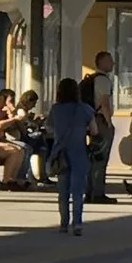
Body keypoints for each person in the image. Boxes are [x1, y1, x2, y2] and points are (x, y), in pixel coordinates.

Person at [44, 76, 96, 235]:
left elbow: (49, 129)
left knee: (63, 191)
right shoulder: (86, 109)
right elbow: (95, 131)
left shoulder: (55, 109)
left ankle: (63, 223)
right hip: (79, 153)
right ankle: (78, 224)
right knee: (78, 190)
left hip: (60, 153)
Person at [85, 51, 119, 204]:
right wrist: (109, 123)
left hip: (93, 119)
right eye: (109, 61)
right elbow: (104, 103)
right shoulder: (103, 81)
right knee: (100, 157)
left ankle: (91, 191)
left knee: (93, 157)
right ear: (102, 62)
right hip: (101, 120)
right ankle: (97, 193)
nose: (112, 64)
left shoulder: (92, 79)